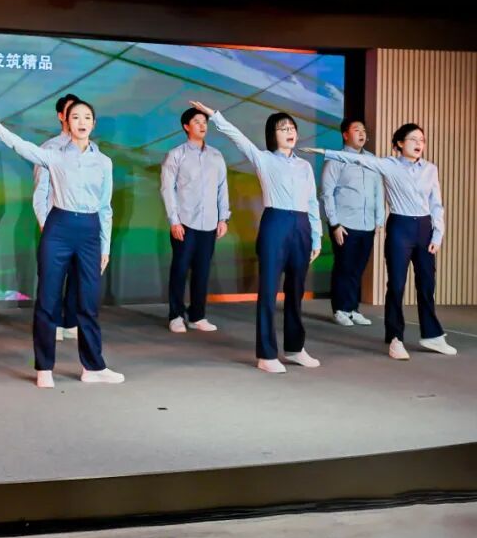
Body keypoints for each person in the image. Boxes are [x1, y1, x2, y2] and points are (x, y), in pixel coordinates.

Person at [0, 95, 123, 388]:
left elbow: (105, 207)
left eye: (87, 117)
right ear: (66, 122)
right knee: (48, 299)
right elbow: (18, 145)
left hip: (90, 232)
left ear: (94, 123)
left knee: (88, 302)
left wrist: (105, 246)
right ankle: (45, 367)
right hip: (59, 228)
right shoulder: (54, 155)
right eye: (75, 117)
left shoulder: (104, 162)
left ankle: (93, 367)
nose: (82, 122)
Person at [189, 101, 322, 374]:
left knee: (296, 292)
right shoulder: (264, 159)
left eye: (292, 128)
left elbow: (312, 202)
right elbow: (237, 138)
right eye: (282, 128)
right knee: (269, 291)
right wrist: (215, 116)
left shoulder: (304, 167)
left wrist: (316, 237)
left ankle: (295, 348)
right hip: (276, 223)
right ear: (272, 134)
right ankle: (266, 354)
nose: (289, 132)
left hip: (302, 227)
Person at [303, 123, 456, 359]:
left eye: (422, 140)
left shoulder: (430, 169)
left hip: (425, 228)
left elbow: (437, 204)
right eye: (413, 139)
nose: (419, 144)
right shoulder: (388, 165)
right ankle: (395, 338)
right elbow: (355, 159)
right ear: (399, 143)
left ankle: (432, 335)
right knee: (396, 285)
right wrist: (325, 152)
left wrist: (438, 234)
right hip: (400, 227)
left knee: (427, 284)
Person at [160, 108, 230, 333]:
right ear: (186, 126)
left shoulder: (216, 156)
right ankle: (176, 316)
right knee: (180, 269)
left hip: (209, 223)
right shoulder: (176, 155)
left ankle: (197, 315)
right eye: (197, 121)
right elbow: (167, 189)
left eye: (204, 122)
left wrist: (223, 218)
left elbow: (222, 188)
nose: (202, 125)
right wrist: (174, 220)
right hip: (185, 222)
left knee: (202, 270)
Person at [319, 119, 384, 328]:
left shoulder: (372, 160)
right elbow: (327, 193)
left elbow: (378, 191)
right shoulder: (336, 159)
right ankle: (340, 309)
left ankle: (353, 309)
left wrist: (379, 220)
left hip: (367, 224)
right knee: (344, 267)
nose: (362, 133)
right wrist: (334, 223)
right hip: (344, 224)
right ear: (345, 135)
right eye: (357, 130)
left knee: (358, 269)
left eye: (363, 130)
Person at [34, 94, 82, 342]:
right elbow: (40, 191)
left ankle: (71, 321)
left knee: (78, 275)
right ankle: (52, 323)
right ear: (61, 116)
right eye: (72, 113)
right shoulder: (49, 148)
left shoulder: (90, 149)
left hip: (82, 224)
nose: (78, 119)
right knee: (52, 278)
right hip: (56, 224)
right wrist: (45, 223)